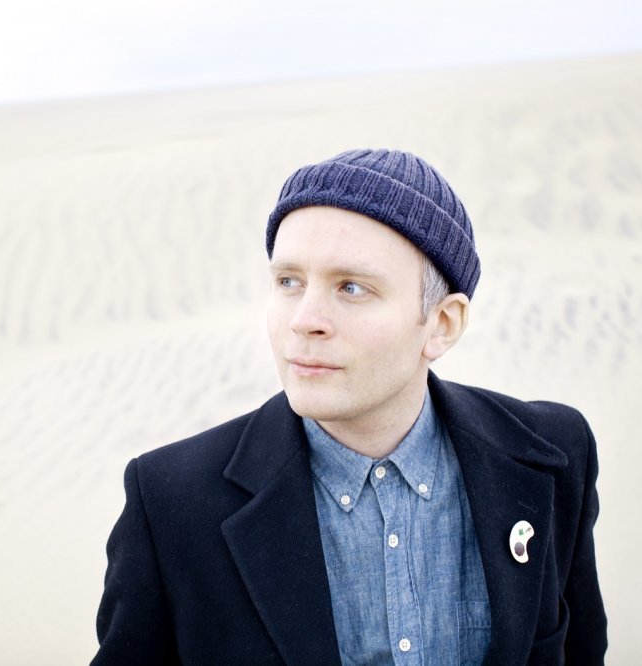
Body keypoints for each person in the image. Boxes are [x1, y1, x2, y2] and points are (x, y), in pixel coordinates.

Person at [92, 149, 607, 665]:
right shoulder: (171, 503)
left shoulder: (552, 455)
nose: (305, 320)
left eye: (352, 288)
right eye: (289, 282)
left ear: (442, 324)